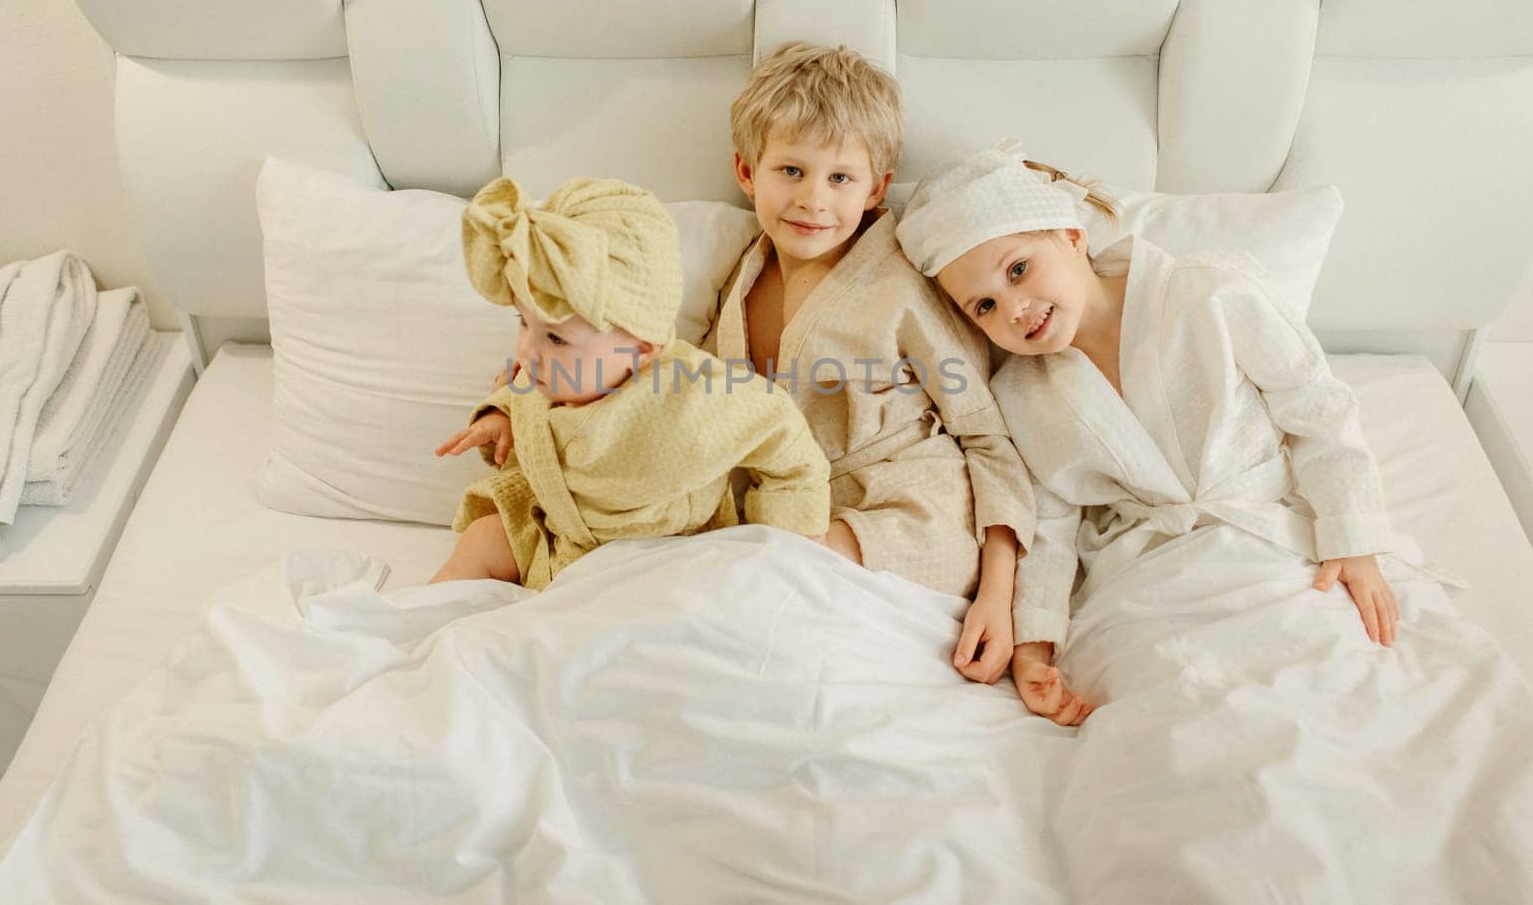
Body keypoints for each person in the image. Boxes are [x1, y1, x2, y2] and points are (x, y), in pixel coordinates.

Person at [898, 137, 1421, 725]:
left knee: (1326, 685)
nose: (1014, 308)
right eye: (984, 307)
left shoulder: (1211, 291)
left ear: (1072, 236)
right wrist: (1035, 643)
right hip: (1150, 578)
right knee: (1186, 710)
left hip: (1269, 540)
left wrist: (1352, 540)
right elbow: (1053, 519)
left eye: (1019, 270)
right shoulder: (1021, 393)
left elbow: (1318, 410)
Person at [708, 43, 1036, 684]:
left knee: (763, 584)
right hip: (796, 512)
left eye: (840, 178)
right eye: (791, 171)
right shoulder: (735, 278)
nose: (813, 200)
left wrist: (1000, 597)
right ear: (748, 172)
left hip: (908, 511)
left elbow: (987, 437)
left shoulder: (903, 284)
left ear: (877, 187)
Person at [429, 175, 831, 590]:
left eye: (554, 337)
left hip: (657, 558)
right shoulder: (555, 372)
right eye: (522, 322)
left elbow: (781, 432)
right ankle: (423, 618)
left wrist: (790, 537)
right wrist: (502, 414)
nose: (527, 352)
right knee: (484, 538)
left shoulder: (691, 400)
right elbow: (525, 393)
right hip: (562, 536)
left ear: (640, 350)